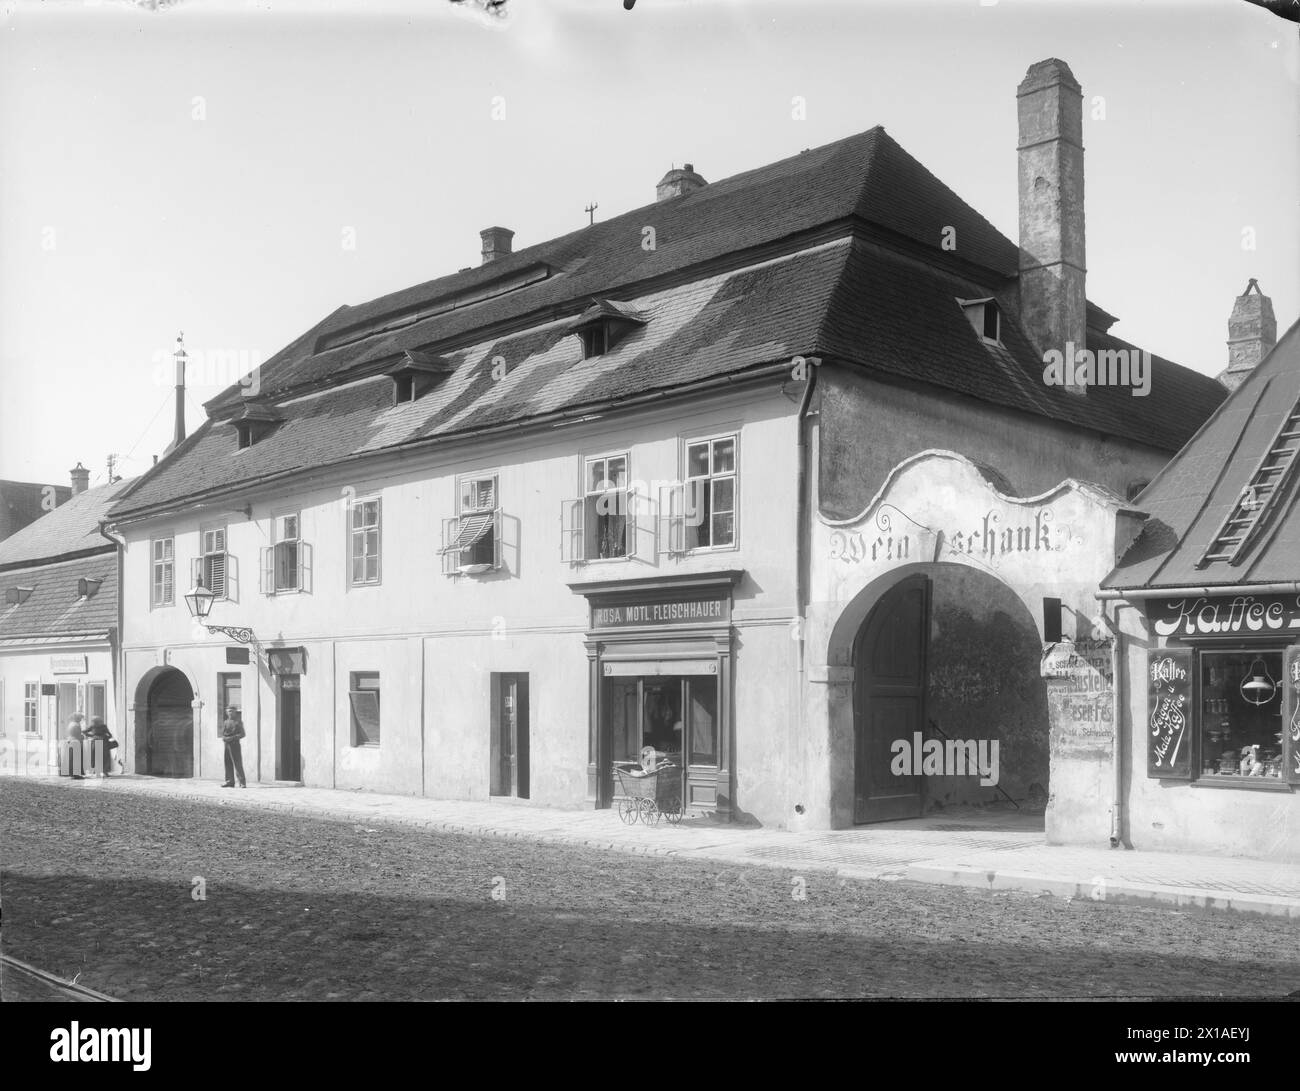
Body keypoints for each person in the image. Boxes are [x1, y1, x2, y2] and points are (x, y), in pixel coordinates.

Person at [220, 706, 247, 788]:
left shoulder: (238, 722)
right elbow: (223, 733)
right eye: (228, 711)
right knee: (227, 763)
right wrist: (224, 738)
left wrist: (233, 738)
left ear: (235, 712)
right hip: (227, 744)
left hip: (235, 744)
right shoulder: (225, 722)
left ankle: (242, 782)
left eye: (231, 711)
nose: (230, 713)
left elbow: (242, 734)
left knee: (237, 763)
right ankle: (229, 781)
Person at [63, 714, 86, 779]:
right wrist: (82, 736)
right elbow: (77, 734)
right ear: (77, 718)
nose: (81, 720)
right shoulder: (76, 725)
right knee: (76, 758)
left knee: (72, 758)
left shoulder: (71, 724)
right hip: (76, 742)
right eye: (80, 718)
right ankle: (76, 774)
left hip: (70, 741)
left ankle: (72, 773)